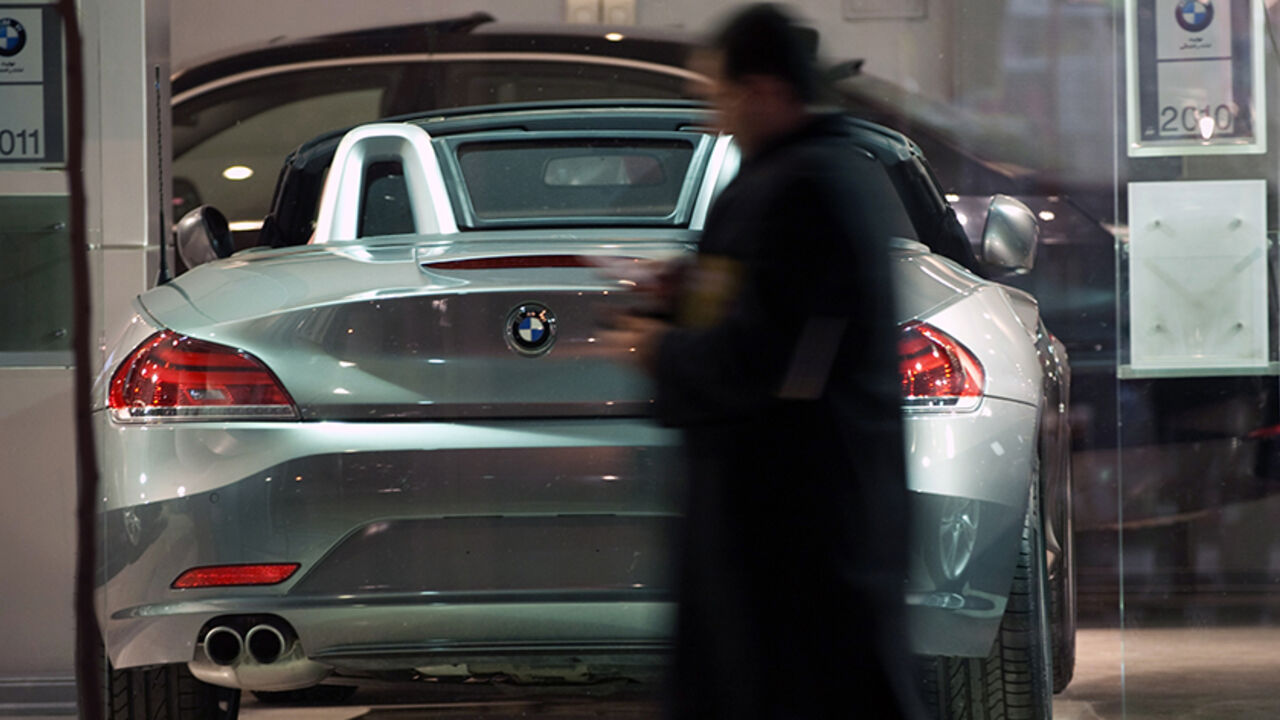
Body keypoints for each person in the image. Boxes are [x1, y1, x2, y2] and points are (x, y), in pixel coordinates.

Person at [603, 4, 925, 719]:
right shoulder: (809, 176)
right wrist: (684, 289)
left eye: (721, 95)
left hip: (794, 532)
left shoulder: (804, 187)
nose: (717, 117)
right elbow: (765, 305)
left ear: (766, 89)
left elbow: (777, 359)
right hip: (794, 523)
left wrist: (661, 348)